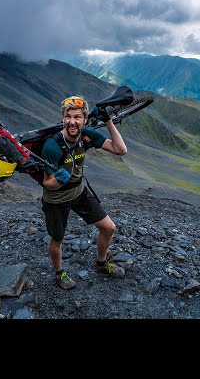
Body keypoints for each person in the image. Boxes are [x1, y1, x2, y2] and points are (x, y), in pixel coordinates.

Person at [41, 95, 128, 290]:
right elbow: (47, 184)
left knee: (109, 228)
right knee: (57, 239)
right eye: (68, 116)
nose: (72, 121)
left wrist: (108, 121)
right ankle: (59, 273)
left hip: (79, 192)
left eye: (77, 117)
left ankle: (101, 263)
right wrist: (57, 180)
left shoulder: (87, 136)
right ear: (63, 118)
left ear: (85, 119)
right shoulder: (52, 146)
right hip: (56, 199)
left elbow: (120, 149)